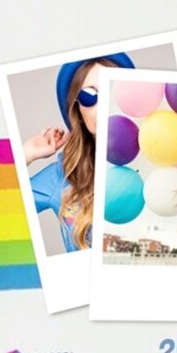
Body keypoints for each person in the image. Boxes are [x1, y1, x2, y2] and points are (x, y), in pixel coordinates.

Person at [23, 53, 135, 252]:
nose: (104, 104)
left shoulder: (159, 164)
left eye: (113, 90)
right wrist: (27, 153)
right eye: (89, 96)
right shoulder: (62, 175)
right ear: (79, 113)